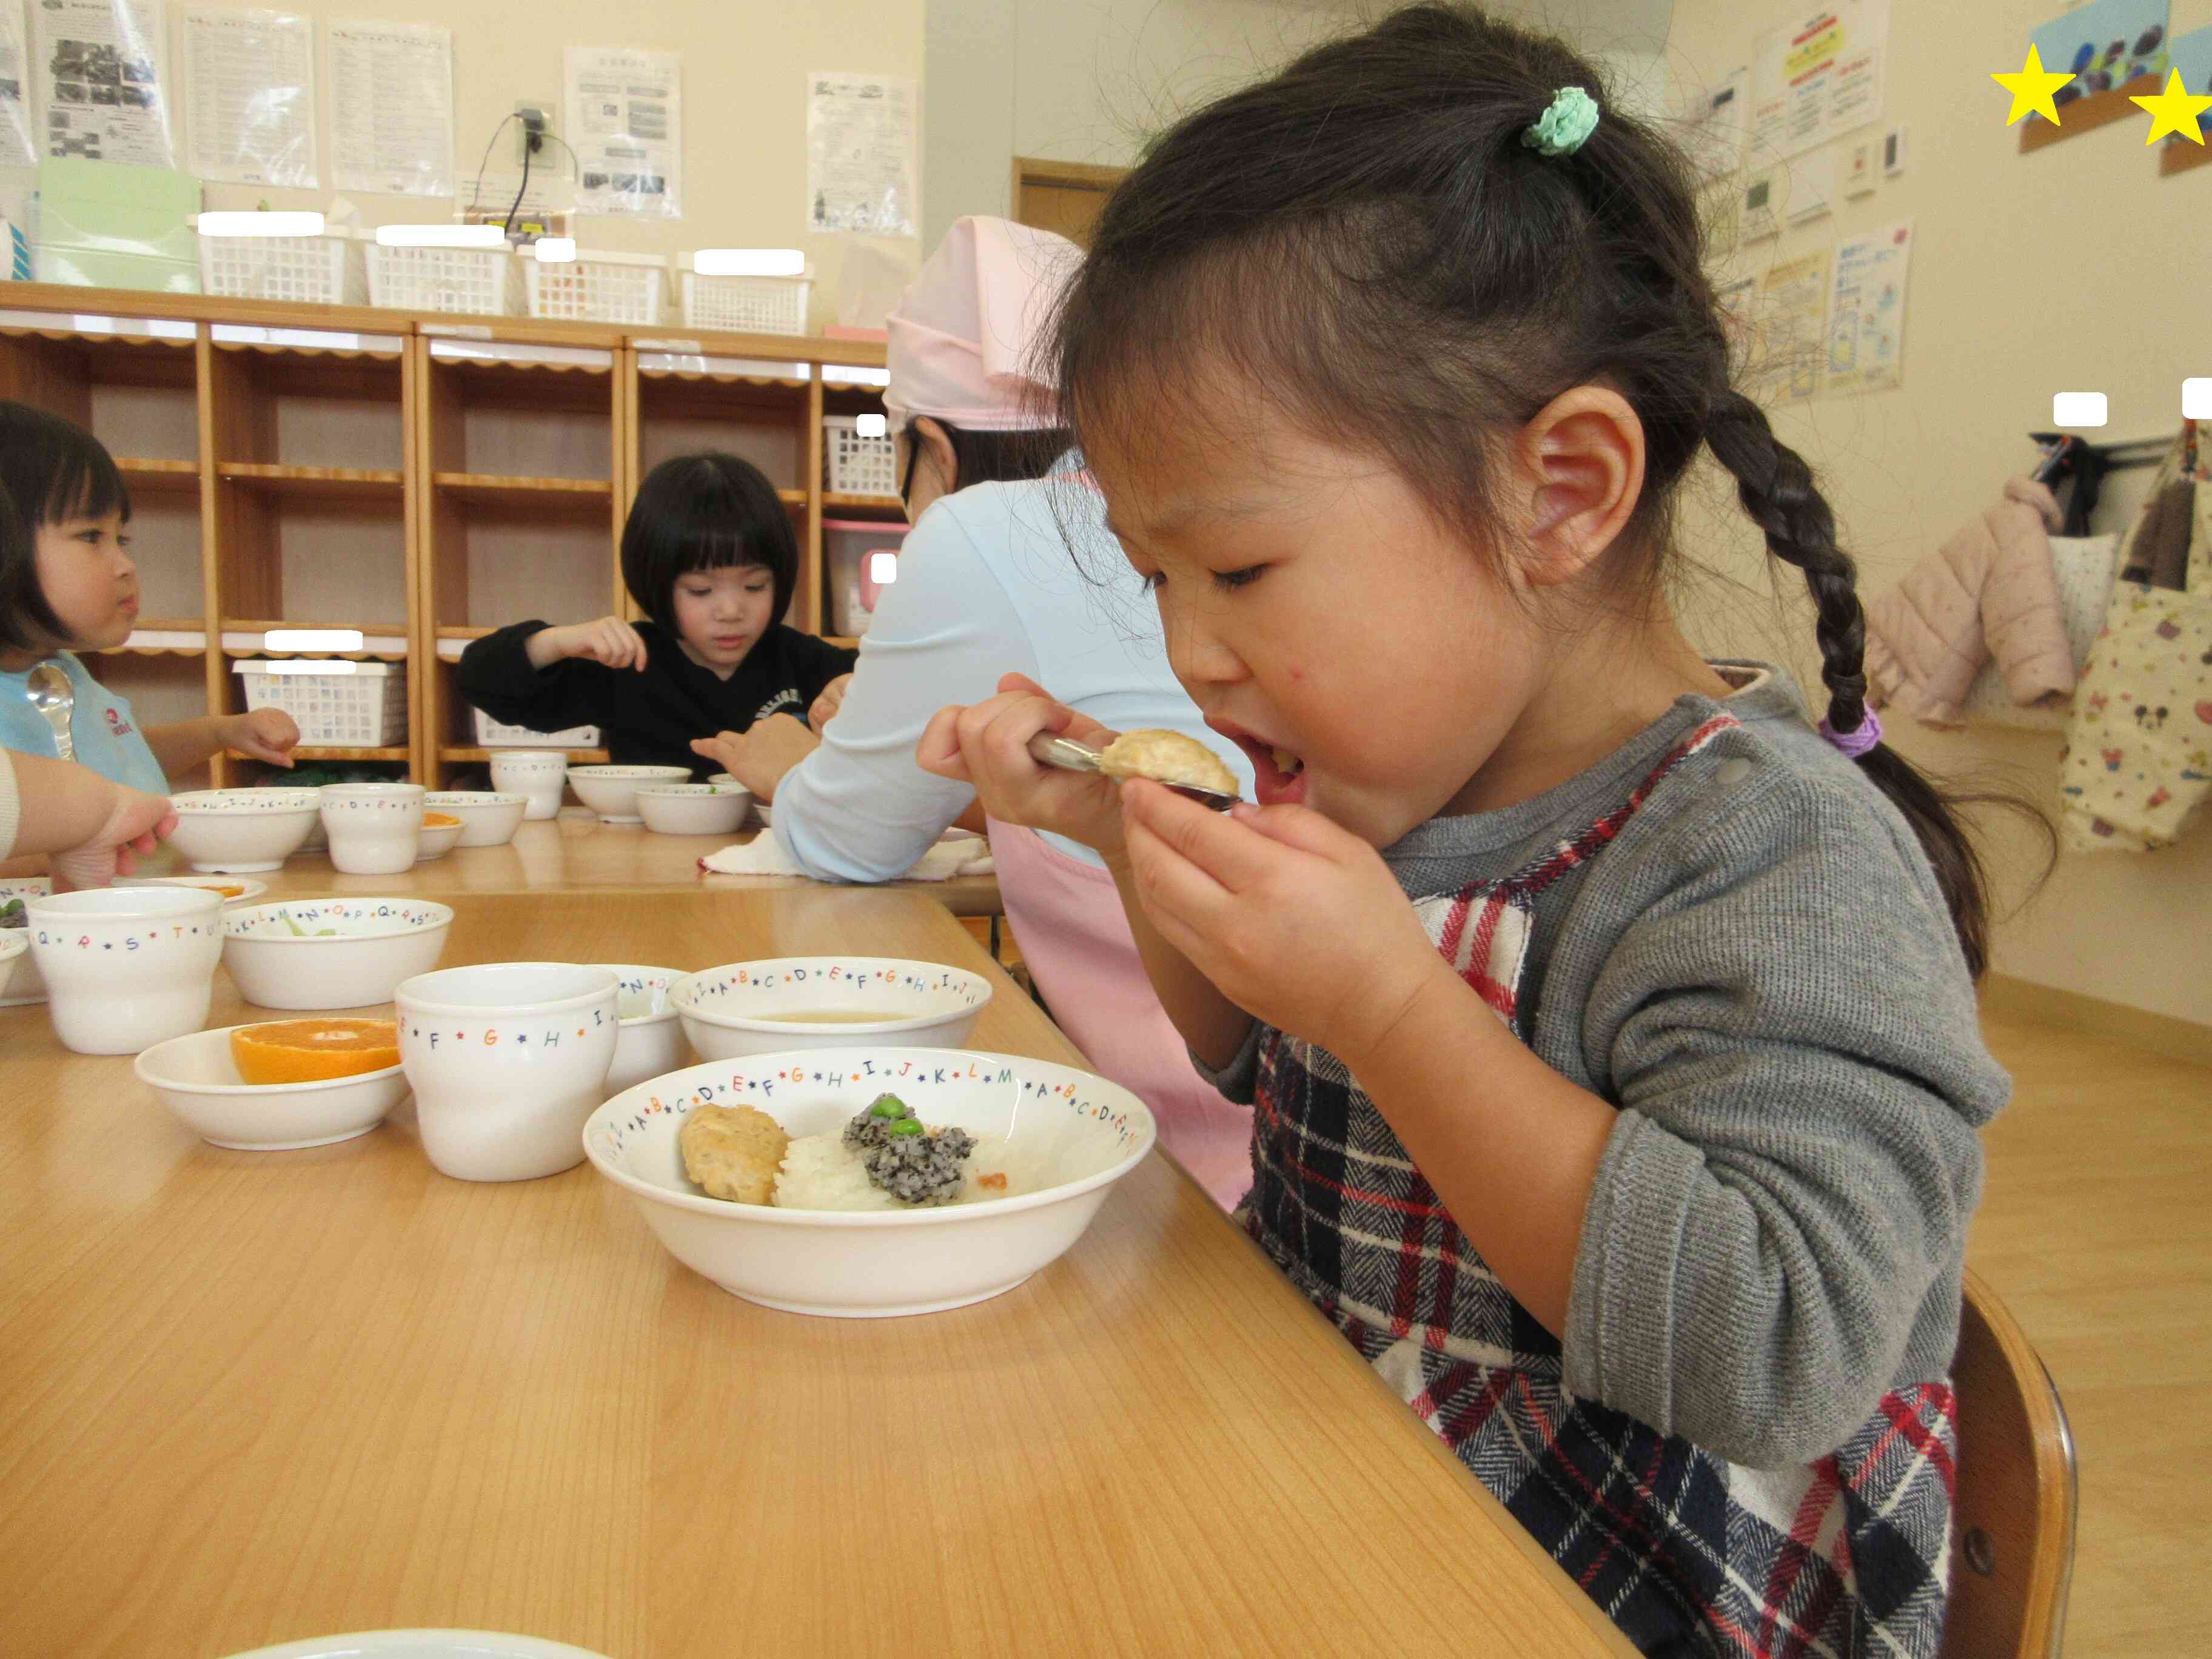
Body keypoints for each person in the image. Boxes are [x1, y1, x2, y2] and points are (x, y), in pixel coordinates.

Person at [917, 10, 2013, 1654]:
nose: (1190, 653)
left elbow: (1778, 1349)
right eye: (1158, 585)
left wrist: (1392, 1000)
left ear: (1559, 492)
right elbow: (1238, 1053)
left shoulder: (1769, 860)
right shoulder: (1390, 771)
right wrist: (1112, 821)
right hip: (1322, 1494)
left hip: (1628, 1587)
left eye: (1239, 570)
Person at [693, 215, 1262, 1208]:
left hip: (1204, 1140)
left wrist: (791, 764)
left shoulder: (977, 529)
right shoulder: (1156, 507)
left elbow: (847, 840)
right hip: (1291, 1095)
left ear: (934, 451)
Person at [458, 453, 857, 777]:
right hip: (648, 861)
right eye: (701, 590)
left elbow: (901, 697)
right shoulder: (629, 663)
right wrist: (559, 641)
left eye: (755, 586)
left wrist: (854, 691)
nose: (732, 611)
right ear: (657, 583)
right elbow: (480, 681)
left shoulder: (802, 662)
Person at [0, 402, 299, 793]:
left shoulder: (59, 672)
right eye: (92, 537)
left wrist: (221, 732)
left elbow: (122, 759)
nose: (126, 565)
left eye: (120, 539)